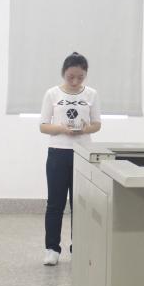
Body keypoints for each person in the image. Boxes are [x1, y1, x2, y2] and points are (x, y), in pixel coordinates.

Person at [38, 52, 101, 266]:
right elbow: (43, 126)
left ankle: (78, 247)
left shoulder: (91, 94)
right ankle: (52, 249)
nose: (75, 81)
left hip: (83, 153)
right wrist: (62, 129)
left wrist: (84, 129)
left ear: (85, 75)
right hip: (58, 152)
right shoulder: (52, 94)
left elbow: (97, 124)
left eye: (80, 77)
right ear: (63, 73)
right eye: (70, 77)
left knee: (80, 204)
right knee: (55, 203)